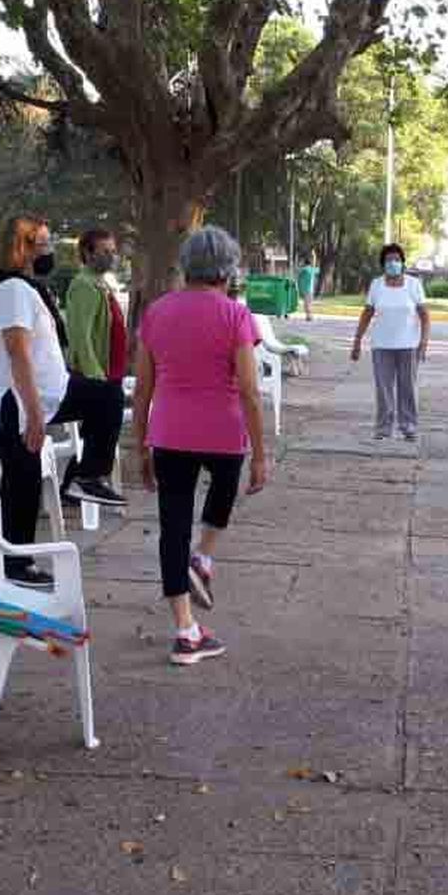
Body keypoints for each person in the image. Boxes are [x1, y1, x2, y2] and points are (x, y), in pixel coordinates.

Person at [132, 226, 268, 665]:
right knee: (222, 495)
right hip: (224, 433)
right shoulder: (235, 316)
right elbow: (249, 390)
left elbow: (142, 391)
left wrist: (140, 449)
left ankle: (185, 630)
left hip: (170, 433)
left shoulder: (156, 313)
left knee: (172, 525)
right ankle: (204, 557)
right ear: (228, 270)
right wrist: (261, 455)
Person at [0, 216, 127, 586]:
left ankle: (85, 476)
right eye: (43, 243)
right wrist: (32, 414)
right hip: (20, 401)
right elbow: (17, 353)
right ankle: (17, 566)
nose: (50, 250)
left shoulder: (23, 287)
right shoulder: (12, 290)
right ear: (22, 248)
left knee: (105, 396)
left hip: (48, 393)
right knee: (22, 481)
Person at [351, 243, 430, 440]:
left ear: (403, 263)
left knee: (408, 388)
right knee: (383, 389)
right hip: (382, 346)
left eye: (396, 259)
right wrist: (357, 341)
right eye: (388, 260)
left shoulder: (413, 284)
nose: (392, 263)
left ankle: (408, 426)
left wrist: (424, 343)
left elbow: (424, 315)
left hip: (408, 346)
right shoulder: (376, 285)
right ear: (383, 264)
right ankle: (383, 427)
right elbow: (367, 313)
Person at [65, 228, 129, 383]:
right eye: (106, 252)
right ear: (88, 253)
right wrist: (96, 376)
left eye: (113, 251)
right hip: (96, 380)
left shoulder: (101, 283)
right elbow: (81, 336)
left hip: (110, 376)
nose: (112, 257)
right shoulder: (84, 285)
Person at [298, 252, 321, 321]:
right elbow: (318, 270)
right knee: (308, 304)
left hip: (306, 290)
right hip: (310, 290)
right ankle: (309, 316)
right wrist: (315, 259)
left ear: (305, 263)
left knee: (307, 304)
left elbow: (299, 275)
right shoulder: (311, 270)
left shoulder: (304, 270)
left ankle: (309, 316)